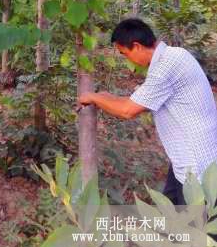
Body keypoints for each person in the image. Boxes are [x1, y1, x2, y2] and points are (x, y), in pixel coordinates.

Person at [77, 18, 217, 205]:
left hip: (196, 166)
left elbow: (128, 110)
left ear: (137, 46)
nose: (127, 59)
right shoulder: (175, 55)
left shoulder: (164, 68)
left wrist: (94, 98)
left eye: (125, 54)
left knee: (197, 228)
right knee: (172, 209)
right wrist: (103, 96)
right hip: (188, 157)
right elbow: (137, 101)